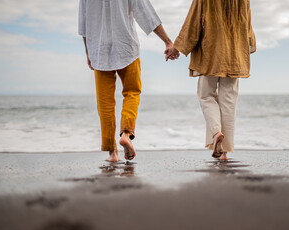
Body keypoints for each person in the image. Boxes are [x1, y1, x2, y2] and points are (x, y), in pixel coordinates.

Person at [79, 0, 178, 162]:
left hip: (99, 49)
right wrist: (167, 40)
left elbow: (83, 24)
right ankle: (126, 133)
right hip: (126, 47)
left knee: (105, 102)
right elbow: (145, 12)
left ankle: (112, 152)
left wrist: (88, 52)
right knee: (132, 92)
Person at [166, 0, 256, 160]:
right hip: (235, 53)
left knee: (206, 95)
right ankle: (224, 152)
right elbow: (246, 22)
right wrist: (249, 44)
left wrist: (178, 47)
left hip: (211, 51)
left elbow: (193, 21)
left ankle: (216, 133)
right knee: (229, 100)